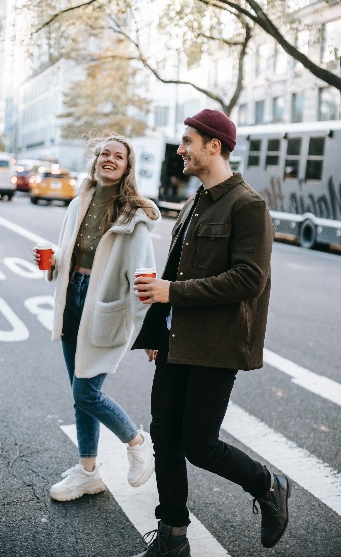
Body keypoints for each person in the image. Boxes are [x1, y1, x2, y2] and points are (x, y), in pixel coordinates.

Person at [132, 110, 290, 556]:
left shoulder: (249, 206)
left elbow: (248, 279)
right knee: (165, 437)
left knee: (198, 444)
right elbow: (174, 270)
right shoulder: (194, 200)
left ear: (214, 146)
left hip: (216, 345)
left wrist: (170, 293)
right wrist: (156, 332)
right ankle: (173, 536)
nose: (180, 149)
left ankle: (268, 484)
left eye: (187, 141)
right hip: (176, 339)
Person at [33, 135, 161, 502]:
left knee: (86, 391)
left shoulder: (133, 217)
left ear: (127, 167)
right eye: (104, 153)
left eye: (118, 156)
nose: (109, 159)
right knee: (80, 392)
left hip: (104, 308)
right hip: (72, 301)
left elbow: (143, 276)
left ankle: (137, 443)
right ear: (96, 160)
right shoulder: (78, 203)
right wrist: (53, 261)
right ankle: (88, 472)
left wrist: (149, 331)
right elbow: (69, 250)